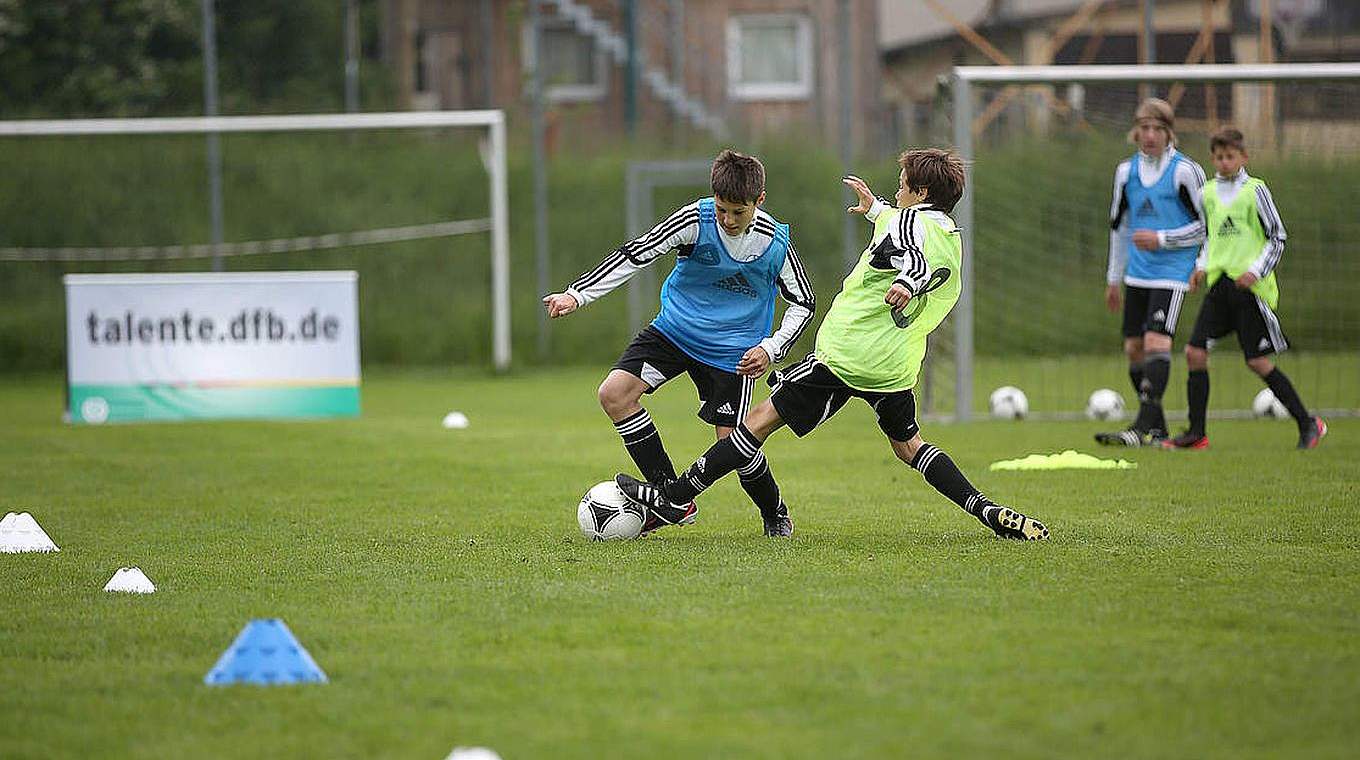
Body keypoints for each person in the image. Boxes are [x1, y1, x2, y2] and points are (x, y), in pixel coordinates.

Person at [614, 148, 1049, 541]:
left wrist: (906, 282)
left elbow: (915, 255)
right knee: (909, 446)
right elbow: (911, 238)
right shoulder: (950, 235)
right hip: (894, 366)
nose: (896, 194)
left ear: (920, 192)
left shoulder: (913, 224)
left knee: (756, 423)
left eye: (901, 187)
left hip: (846, 357)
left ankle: (675, 496)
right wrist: (874, 209)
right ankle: (985, 509)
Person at [542, 149, 815, 536]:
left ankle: (774, 511)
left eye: (739, 211)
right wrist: (577, 295)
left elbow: (804, 302)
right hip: (674, 332)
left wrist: (771, 348)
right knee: (614, 394)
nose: (728, 220)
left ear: (760, 201)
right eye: (722, 209)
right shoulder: (694, 220)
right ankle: (674, 499)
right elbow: (635, 254)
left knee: (737, 449)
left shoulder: (776, 244)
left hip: (732, 354)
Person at [1162, 127, 1327, 450]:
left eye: (1230, 157)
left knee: (1257, 362)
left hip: (1248, 290)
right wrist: (1199, 267)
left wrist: (1255, 271)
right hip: (1219, 285)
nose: (1224, 163)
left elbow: (1277, 237)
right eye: (1219, 157)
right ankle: (1197, 433)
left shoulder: (1256, 190)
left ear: (1243, 157)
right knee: (1194, 352)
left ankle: (1308, 423)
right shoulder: (1207, 193)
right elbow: (1211, 237)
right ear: (1213, 159)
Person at [1096, 98, 1207, 447]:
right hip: (1137, 276)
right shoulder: (1125, 173)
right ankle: (1157, 428)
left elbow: (1208, 227)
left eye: (1157, 129)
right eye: (1144, 128)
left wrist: (1164, 241)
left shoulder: (1186, 171)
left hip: (1173, 273)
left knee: (1156, 343)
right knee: (1133, 349)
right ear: (1135, 131)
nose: (1150, 136)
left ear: (1169, 133)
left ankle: (1140, 426)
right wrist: (1114, 278)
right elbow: (1120, 228)